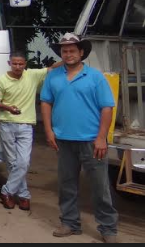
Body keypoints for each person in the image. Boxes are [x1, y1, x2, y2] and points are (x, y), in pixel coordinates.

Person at [41, 33, 118, 243]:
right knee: (67, 185)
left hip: (92, 141)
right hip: (64, 140)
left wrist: (102, 137)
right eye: (64, 51)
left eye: (72, 50)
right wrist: (48, 131)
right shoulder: (53, 76)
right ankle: (70, 223)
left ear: (81, 52)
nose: (68, 54)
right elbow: (46, 103)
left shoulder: (95, 77)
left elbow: (107, 108)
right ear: (61, 54)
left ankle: (108, 228)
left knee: (100, 188)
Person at [0, 51, 61, 211]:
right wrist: (8, 108)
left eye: (21, 63)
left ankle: (7, 191)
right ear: (9, 63)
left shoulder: (32, 75)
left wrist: (67, 58)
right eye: (15, 63)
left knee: (23, 162)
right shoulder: (1, 80)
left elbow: (51, 68)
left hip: (26, 125)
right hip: (6, 123)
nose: (18, 66)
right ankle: (24, 195)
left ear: (25, 64)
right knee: (12, 162)